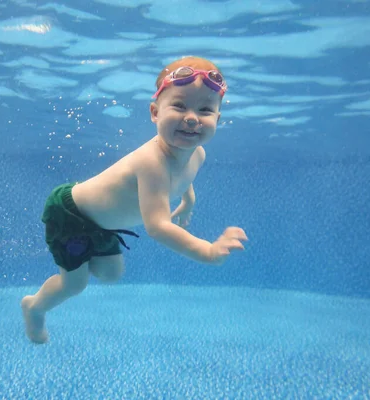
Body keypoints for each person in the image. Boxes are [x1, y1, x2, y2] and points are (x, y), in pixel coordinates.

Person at [22, 56, 248, 344]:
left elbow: (184, 179)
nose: (192, 117)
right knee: (75, 285)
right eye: (179, 106)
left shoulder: (198, 154)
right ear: (155, 112)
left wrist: (188, 201)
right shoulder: (152, 162)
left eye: (205, 110)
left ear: (217, 120)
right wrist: (208, 251)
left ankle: (77, 257)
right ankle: (34, 306)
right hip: (72, 213)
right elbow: (157, 227)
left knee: (112, 274)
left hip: (102, 223)